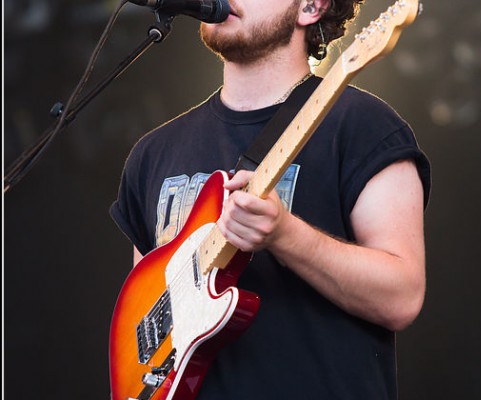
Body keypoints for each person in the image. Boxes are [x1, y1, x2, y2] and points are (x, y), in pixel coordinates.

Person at [110, 0, 431, 398]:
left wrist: (286, 235)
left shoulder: (364, 126)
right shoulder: (153, 152)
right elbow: (143, 317)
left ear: (312, 7)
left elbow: (401, 297)